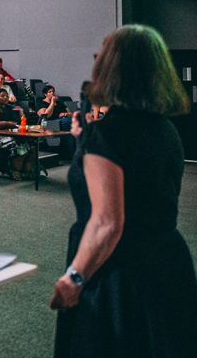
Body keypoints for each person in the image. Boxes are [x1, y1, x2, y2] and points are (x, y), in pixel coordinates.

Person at [51, 25, 195, 358]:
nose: (95, 56)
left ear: (116, 67)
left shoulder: (107, 134)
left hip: (119, 275)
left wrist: (74, 278)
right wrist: (85, 142)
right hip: (166, 264)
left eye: (103, 51)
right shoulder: (165, 129)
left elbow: (107, 223)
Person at [0, 88, 34, 180]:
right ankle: (15, 170)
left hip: (10, 133)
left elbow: (21, 121)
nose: (6, 97)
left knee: (30, 144)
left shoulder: (11, 107)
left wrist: (21, 111)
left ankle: (26, 171)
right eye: (2, 96)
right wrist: (7, 123)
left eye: (7, 96)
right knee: (17, 144)